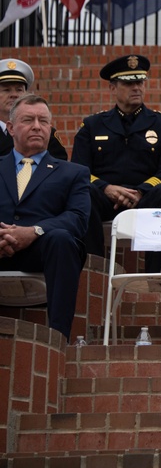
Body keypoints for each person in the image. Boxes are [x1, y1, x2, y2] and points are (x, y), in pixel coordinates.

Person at [71, 54, 161, 268]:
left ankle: (153, 273)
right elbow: (79, 169)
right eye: (129, 83)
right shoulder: (92, 125)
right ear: (112, 88)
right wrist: (106, 188)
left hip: (145, 199)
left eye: (140, 82)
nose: (136, 88)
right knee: (83, 191)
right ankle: (95, 268)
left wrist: (140, 191)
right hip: (104, 199)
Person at [0, 95, 90, 341]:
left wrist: (34, 231)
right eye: (28, 120)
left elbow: (78, 218)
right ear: (11, 128)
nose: (37, 126)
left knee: (62, 239)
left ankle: (58, 340)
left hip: (41, 250)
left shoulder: (73, 173)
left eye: (43, 121)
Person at [0, 58, 67, 159]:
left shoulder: (44, 132)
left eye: (19, 90)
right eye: (6, 90)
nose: (14, 95)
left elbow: (59, 164)